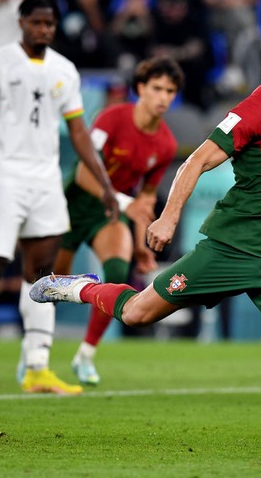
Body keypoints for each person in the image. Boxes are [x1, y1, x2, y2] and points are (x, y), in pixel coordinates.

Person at [30, 20, 261, 453]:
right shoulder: (256, 109)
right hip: (229, 249)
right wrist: (167, 218)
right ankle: (78, 290)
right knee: (138, 313)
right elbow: (195, 162)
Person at [0, 0, 118, 396]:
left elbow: (78, 131)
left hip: (44, 181)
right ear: (21, 21)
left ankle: (36, 366)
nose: (43, 30)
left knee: (42, 275)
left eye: (50, 24)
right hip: (4, 176)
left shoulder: (65, 70)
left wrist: (106, 186)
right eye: (37, 22)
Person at [54, 57, 182, 386]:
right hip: (74, 202)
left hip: (110, 212)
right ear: (140, 89)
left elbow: (146, 200)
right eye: (157, 88)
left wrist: (141, 245)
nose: (163, 97)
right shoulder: (112, 118)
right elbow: (84, 172)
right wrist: (125, 203)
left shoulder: (166, 144)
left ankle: (85, 355)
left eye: (170, 91)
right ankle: (34, 356)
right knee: (49, 283)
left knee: (114, 273)